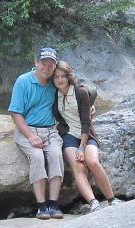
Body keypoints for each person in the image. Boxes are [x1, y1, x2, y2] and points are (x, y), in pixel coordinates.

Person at [52, 60, 121, 213]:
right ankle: (93, 202)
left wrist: (82, 147)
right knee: (78, 166)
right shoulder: (53, 95)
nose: (60, 80)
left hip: (86, 134)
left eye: (63, 76)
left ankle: (111, 199)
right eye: (56, 77)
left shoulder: (80, 92)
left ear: (68, 77)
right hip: (68, 134)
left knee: (93, 162)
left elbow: (86, 121)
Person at [8, 47, 64, 220]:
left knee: (56, 155)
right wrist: (30, 136)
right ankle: (41, 206)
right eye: (43, 64)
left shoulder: (55, 81)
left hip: (49, 130)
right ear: (36, 62)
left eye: (50, 65)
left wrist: (88, 105)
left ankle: (53, 204)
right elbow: (15, 113)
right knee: (38, 157)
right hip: (27, 129)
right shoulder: (23, 81)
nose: (46, 68)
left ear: (55, 66)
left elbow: (75, 91)